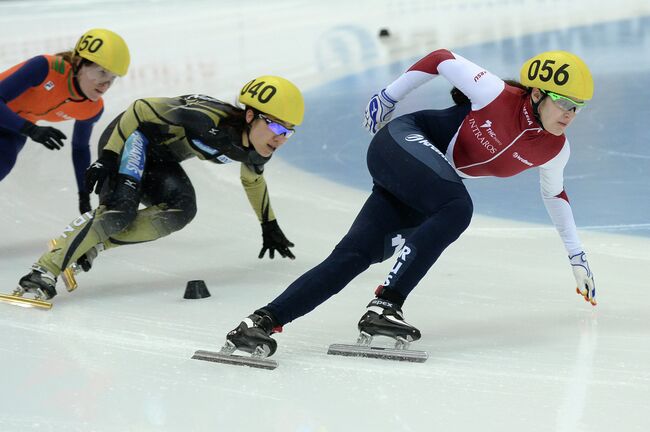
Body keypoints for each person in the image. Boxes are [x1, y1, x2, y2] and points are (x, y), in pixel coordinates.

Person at [222, 49, 597, 358]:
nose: (569, 114)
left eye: (577, 107)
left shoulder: (554, 150)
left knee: (355, 255)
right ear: (536, 93)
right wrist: (390, 96)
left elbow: (556, 195)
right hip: (403, 141)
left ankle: (259, 322)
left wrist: (576, 256)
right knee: (457, 207)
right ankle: (386, 305)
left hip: (425, 182)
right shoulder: (496, 94)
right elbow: (441, 57)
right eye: (564, 102)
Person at [13, 75, 303, 302]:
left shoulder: (256, 150)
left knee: (181, 211)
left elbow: (252, 179)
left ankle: (90, 243)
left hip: (160, 159)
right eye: (277, 128)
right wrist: (108, 157)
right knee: (118, 213)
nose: (281, 139)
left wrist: (269, 224)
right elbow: (140, 109)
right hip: (131, 138)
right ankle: (42, 272)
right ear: (251, 115)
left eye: (288, 132)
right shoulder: (206, 118)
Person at [0, 28, 130, 214]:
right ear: (79, 63)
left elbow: (80, 147)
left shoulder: (91, 109)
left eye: (113, 78)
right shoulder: (46, 68)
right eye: (102, 72)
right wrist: (31, 130)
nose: (106, 84)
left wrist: (83, 195)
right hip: (16, 123)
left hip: (13, 129)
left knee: (4, 160)